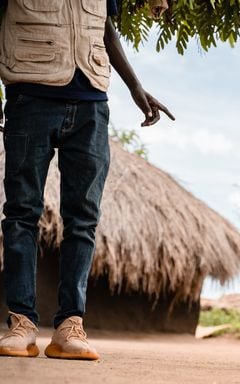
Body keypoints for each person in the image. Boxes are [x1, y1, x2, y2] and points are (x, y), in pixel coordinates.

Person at [0, 0, 174, 361]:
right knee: (22, 214)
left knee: (83, 220)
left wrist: (135, 87)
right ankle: (22, 323)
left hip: (92, 102)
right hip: (30, 93)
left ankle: (69, 326)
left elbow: (106, 29)